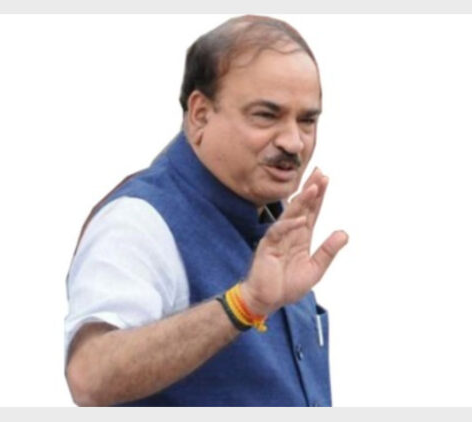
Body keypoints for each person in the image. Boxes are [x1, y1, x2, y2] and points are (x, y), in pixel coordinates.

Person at [64, 15, 348, 406]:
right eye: (266, 115)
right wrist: (243, 305)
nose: (293, 142)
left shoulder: (272, 217)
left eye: (307, 120)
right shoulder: (140, 222)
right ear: (199, 114)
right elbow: (89, 378)